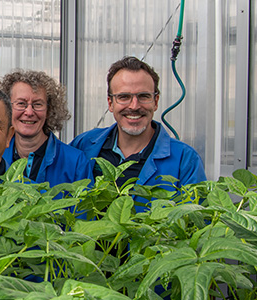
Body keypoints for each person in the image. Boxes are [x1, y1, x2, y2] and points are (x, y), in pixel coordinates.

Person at [70, 56, 207, 211]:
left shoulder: (184, 160)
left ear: (155, 102)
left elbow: (198, 221)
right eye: (124, 97)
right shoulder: (84, 145)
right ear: (110, 103)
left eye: (143, 96)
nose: (134, 106)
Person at [0, 70, 90, 186]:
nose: (29, 112)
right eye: (21, 103)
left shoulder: (75, 162)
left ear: (49, 110)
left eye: (38, 104)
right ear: (6, 108)